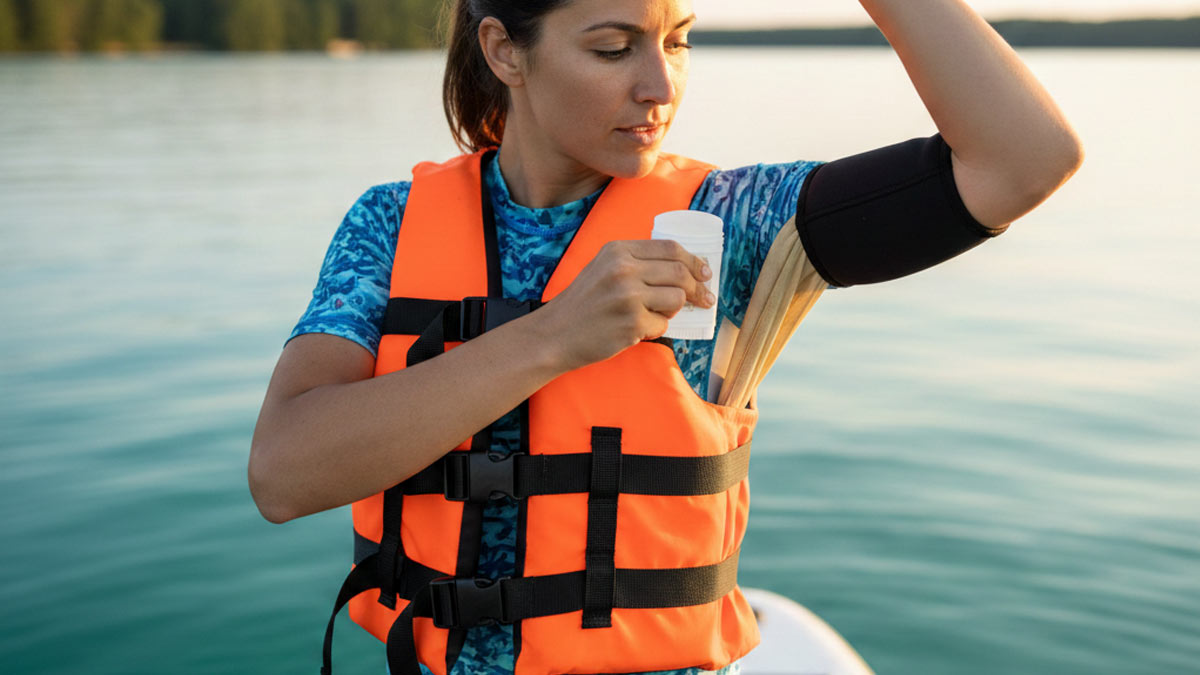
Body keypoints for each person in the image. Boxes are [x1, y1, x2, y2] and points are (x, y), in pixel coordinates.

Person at [249, 1, 1083, 674]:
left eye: (678, 42)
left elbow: (1023, 160)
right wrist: (554, 337)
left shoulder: (732, 225)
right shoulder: (388, 225)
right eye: (614, 49)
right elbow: (283, 474)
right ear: (504, 50)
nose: (660, 85)